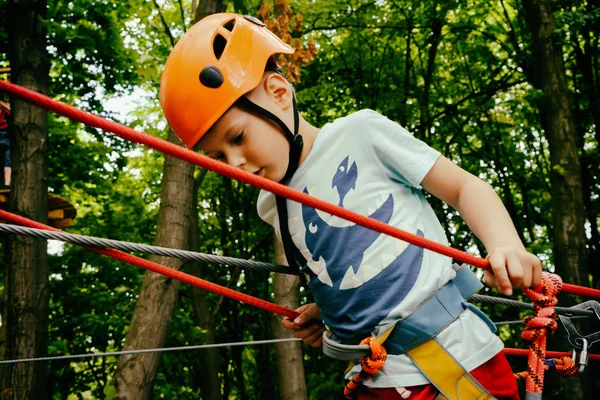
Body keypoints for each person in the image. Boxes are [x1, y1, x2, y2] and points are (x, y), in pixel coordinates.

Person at [159, 13, 542, 400]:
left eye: (238, 137)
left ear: (278, 92)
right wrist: (326, 311)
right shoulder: (270, 205)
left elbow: (462, 187)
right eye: (219, 157)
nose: (234, 163)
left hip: (454, 359)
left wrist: (504, 244)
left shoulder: (360, 135)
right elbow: (337, 268)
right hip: (372, 379)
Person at [0, 100, 11, 187]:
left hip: (5, 134)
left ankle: (7, 183)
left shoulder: (5, 108)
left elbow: (10, 110)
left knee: (8, 160)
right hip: (4, 134)